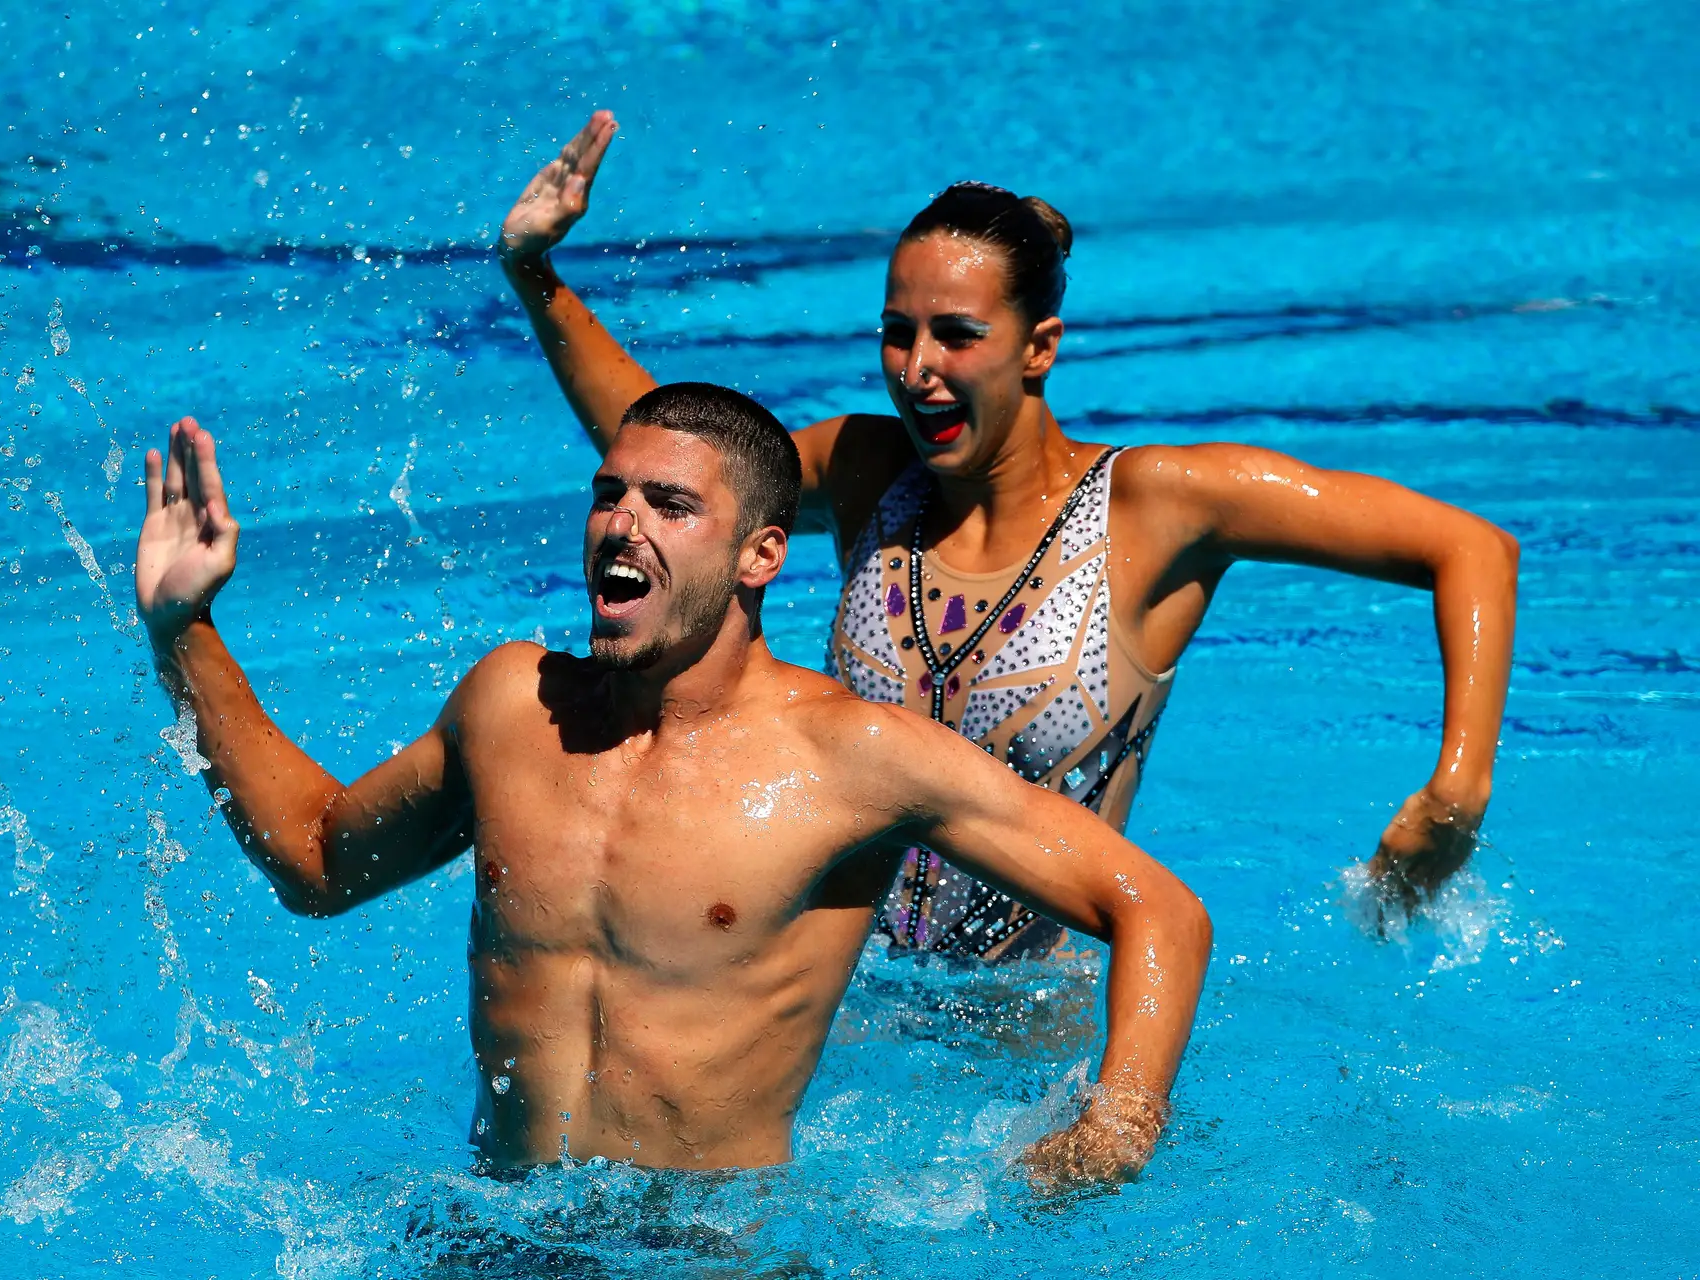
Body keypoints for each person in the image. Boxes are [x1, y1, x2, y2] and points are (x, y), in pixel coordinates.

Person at [498, 111, 1520, 959]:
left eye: (957, 335)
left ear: (1039, 349)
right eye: (898, 332)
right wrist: (534, 270)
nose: (917, 367)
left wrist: (1456, 789)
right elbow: (675, 467)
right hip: (841, 1027)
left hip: (1023, 1056)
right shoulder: (868, 472)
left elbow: (1470, 546)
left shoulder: (1152, 506)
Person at [133, 387, 1212, 1181]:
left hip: (712, 1250)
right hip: (494, 1231)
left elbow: (1157, 906)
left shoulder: (855, 758)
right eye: (609, 493)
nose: (622, 521)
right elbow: (319, 860)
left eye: (668, 502)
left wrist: (1112, 1130)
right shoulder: (515, 708)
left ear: (761, 554)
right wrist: (185, 629)